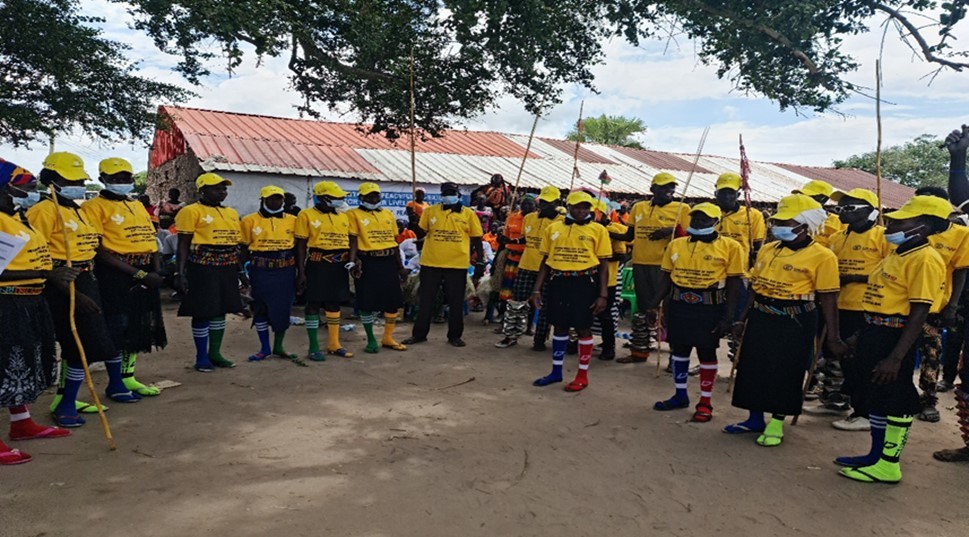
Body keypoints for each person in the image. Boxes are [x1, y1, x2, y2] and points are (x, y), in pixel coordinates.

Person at [836, 195, 949, 483]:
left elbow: (919, 310)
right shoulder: (898, 253)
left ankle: (889, 464)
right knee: (876, 396)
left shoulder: (925, 258)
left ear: (921, 228)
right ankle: (875, 455)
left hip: (896, 336)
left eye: (901, 221)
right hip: (876, 330)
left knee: (896, 397)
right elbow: (882, 299)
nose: (891, 225)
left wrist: (896, 358)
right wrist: (861, 336)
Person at [29, 152, 141, 428]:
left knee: (86, 343)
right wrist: (69, 290)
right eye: (71, 179)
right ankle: (65, 405)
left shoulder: (76, 209)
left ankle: (68, 398)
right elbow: (36, 253)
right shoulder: (43, 211)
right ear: (52, 181)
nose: (78, 184)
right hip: (62, 284)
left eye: (80, 179)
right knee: (76, 344)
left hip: (86, 278)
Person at [725, 194, 846, 447]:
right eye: (777, 221)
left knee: (785, 371)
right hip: (761, 314)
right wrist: (741, 318)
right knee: (753, 368)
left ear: (804, 225)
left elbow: (828, 298)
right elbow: (756, 286)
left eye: (786, 222)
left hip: (796, 319)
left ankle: (777, 422)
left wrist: (833, 336)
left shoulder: (823, 256)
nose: (777, 226)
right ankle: (754, 418)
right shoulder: (769, 249)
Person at [0, 160, 72, 465]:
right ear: (6, 188)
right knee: (3, 367)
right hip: (6, 303)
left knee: (21, 366)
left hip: (30, 302)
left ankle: (22, 423)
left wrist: (52, 271)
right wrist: (47, 275)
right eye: (25, 188)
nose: (30, 193)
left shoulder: (16, 219)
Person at [803, 188, 890, 431]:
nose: (843, 212)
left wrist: (854, 277)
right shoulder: (837, 238)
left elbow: (889, 274)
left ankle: (864, 411)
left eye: (850, 208)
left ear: (870, 211)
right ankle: (835, 399)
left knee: (859, 359)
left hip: (864, 307)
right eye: (841, 208)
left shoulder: (882, 237)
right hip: (836, 305)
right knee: (833, 354)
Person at [81, 157, 167, 397]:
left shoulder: (137, 205)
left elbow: (152, 240)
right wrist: (138, 273)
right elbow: (98, 250)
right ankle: (115, 383)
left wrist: (156, 270)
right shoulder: (92, 207)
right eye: (115, 179)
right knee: (117, 327)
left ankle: (128, 377)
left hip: (146, 272)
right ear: (103, 180)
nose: (122, 182)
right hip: (116, 274)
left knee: (137, 326)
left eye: (126, 178)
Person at [650, 203, 744, 422]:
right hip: (679, 304)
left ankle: (705, 402)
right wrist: (653, 305)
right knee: (679, 349)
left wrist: (728, 317)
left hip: (710, 306)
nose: (698, 222)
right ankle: (680, 395)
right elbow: (666, 278)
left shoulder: (730, 246)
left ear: (716, 222)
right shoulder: (677, 244)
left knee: (706, 352)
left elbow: (734, 284)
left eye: (704, 219)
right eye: (695, 218)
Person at [531, 191, 611, 391]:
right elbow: (545, 261)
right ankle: (556, 372)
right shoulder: (553, 228)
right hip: (558, 281)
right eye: (577, 206)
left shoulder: (598, 230)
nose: (581, 211)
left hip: (584, 283)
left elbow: (603, 265)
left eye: (586, 207)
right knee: (559, 326)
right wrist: (536, 290)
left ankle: (582, 375)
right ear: (568, 207)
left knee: (583, 328)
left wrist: (603, 294)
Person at [610, 172, 690, 363]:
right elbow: (630, 236)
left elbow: (688, 238)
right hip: (641, 263)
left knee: (669, 312)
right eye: (663, 187)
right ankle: (639, 351)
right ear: (652, 189)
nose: (668, 191)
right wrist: (607, 231)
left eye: (671, 187)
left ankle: (675, 358)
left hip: (666, 267)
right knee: (645, 310)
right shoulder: (638, 207)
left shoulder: (682, 208)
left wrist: (669, 230)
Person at [907, 186, 969, 423]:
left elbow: (961, 272)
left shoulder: (961, 234)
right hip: (903, 303)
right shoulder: (911, 228)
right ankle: (902, 396)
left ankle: (928, 399)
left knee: (931, 354)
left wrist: (952, 306)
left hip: (935, 305)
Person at [175, 172, 246, 372]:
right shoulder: (191, 211)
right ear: (203, 190)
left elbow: (235, 245)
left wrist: (241, 272)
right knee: (203, 310)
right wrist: (179, 274)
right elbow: (183, 244)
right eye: (217, 188)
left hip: (228, 265)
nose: (222, 192)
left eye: (224, 188)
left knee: (220, 309)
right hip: (203, 265)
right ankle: (201, 357)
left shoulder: (231, 212)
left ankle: (215, 353)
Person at [404, 182, 484, 347]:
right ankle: (419, 334)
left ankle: (455, 336)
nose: (449, 195)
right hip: (430, 262)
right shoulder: (430, 211)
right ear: (441, 195)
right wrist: (412, 221)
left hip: (457, 264)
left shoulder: (468, 214)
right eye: (446, 192)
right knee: (425, 300)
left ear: (458, 195)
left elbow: (477, 238)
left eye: (452, 192)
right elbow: (421, 233)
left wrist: (480, 261)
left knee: (455, 302)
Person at [496, 186, 562, 350]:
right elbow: (526, 239)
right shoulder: (530, 218)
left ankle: (539, 340)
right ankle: (511, 335)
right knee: (516, 302)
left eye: (549, 202)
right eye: (543, 202)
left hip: (548, 268)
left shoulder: (562, 221)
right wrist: (511, 241)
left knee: (544, 306)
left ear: (557, 203)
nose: (545, 205)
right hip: (526, 265)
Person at [295, 181, 354, 360]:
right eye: (337, 198)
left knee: (334, 303)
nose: (340, 200)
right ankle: (313, 347)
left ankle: (334, 344)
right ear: (323, 198)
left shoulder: (343, 216)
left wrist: (353, 261)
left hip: (338, 265)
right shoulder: (306, 215)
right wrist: (301, 272)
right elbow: (301, 246)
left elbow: (351, 241)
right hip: (317, 263)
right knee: (313, 303)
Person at [347, 182, 407, 353]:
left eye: (376, 195)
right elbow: (353, 240)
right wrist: (352, 262)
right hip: (367, 261)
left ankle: (388, 337)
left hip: (388, 260)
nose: (374, 198)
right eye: (369, 196)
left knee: (392, 301)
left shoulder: (387, 213)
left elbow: (394, 242)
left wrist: (400, 266)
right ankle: (371, 340)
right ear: (361, 197)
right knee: (366, 302)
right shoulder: (353, 214)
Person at [240, 185, 298, 361]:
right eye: (270, 199)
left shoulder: (293, 220)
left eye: (278, 198)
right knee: (260, 307)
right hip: (260, 269)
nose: (275, 202)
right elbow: (243, 248)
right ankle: (264, 348)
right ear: (263, 200)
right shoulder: (249, 220)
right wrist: (243, 271)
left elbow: (298, 247)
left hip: (285, 269)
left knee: (283, 308)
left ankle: (279, 346)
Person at [592, 199, 628, 361]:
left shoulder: (615, 229)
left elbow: (621, 255)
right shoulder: (587, 229)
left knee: (605, 315)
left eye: (594, 213)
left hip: (608, 279)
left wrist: (599, 256)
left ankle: (608, 347)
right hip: (587, 278)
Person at [793, 180, 843, 245]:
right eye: (802, 195)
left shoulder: (837, 222)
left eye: (809, 196)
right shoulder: (789, 215)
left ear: (823, 199)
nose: (803, 198)